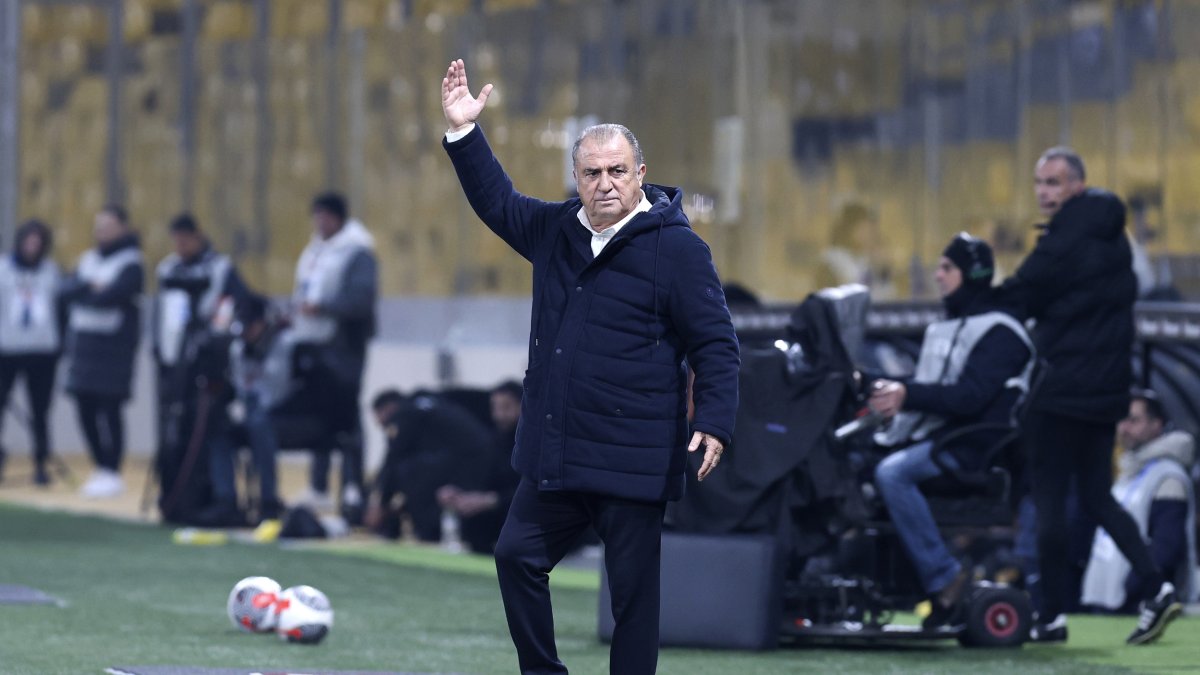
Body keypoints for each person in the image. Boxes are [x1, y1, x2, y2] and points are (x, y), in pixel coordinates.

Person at [441, 59, 740, 674]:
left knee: (634, 601)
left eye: (617, 171)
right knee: (515, 556)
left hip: (632, 456)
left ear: (640, 176)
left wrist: (714, 418)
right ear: (575, 177)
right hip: (557, 451)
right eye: (592, 172)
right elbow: (497, 201)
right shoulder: (555, 230)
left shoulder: (678, 249)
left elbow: (715, 342)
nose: (605, 183)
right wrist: (466, 133)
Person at [994, 147, 1181, 644]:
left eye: (1053, 183)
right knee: (1098, 496)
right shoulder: (1115, 241)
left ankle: (1051, 615)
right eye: (1039, 182)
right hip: (1106, 391)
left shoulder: (1063, 239)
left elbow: (1024, 291)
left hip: (1058, 390)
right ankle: (1158, 587)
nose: (1043, 192)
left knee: (1050, 503)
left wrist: (982, 301)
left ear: (1076, 186)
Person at [870, 233, 1034, 631]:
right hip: (939, 439)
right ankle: (890, 587)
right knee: (857, 461)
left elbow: (968, 398)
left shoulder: (1002, 332)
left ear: (971, 273)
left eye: (947, 268)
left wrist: (906, 393)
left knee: (893, 473)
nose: (938, 276)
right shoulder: (949, 325)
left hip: (970, 449)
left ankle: (944, 577)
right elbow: (937, 387)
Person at [291, 192, 378, 517]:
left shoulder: (358, 253)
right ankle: (319, 485)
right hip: (317, 345)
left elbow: (360, 300)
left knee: (347, 418)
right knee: (320, 416)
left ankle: (354, 486)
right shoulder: (316, 250)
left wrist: (324, 307)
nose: (319, 223)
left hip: (345, 349)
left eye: (325, 217)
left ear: (339, 218)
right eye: (316, 217)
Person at [1081, 389, 1196, 612]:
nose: (1124, 428)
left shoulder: (1167, 476)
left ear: (1157, 424)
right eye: (1121, 420)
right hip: (1109, 597)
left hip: (1136, 603)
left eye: (1134, 420)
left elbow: (1167, 546)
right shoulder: (1128, 470)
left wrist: (1134, 587)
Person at [61, 204, 144, 499]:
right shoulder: (88, 260)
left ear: (122, 228)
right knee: (84, 407)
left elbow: (112, 296)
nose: (102, 232)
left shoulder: (131, 262)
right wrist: (88, 286)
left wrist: (90, 291)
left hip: (113, 349)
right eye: (99, 226)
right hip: (84, 345)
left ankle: (112, 468)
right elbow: (65, 290)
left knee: (110, 409)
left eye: (108, 226)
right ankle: (99, 466)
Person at [203, 294, 288, 525]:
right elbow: (240, 385)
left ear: (263, 322)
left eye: (251, 326)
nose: (246, 332)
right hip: (252, 408)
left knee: (259, 425)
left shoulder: (283, 343)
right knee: (218, 429)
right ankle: (226, 500)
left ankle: (268, 500)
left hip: (283, 412)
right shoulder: (239, 347)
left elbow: (278, 389)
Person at [365, 389, 492, 542]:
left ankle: (426, 535)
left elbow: (393, 458)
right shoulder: (430, 403)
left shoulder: (404, 413)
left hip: (462, 463)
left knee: (407, 471)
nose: (383, 426)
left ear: (388, 408)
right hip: (482, 461)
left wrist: (380, 504)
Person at [0, 220, 63, 485]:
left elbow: (61, 309)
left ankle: (40, 462)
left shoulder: (51, 272)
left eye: (38, 243)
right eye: (29, 241)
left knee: (40, 411)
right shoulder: (3, 269)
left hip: (42, 352)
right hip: (7, 350)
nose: (32, 247)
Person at [436, 380, 524, 554]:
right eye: (496, 407)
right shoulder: (494, 441)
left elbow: (534, 489)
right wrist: (458, 492)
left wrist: (492, 500)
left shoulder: (534, 444)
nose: (500, 415)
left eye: (506, 407)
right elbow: (482, 478)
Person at [154, 213, 248, 369]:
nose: (180, 247)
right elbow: (159, 311)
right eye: (177, 242)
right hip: (173, 345)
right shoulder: (168, 269)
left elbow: (239, 301)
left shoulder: (220, 267)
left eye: (184, 241)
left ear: (197, 237)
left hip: (212, 345)